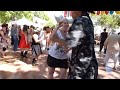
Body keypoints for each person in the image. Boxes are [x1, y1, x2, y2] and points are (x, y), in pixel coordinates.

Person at [52, 11, 98, 79]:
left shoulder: (80, 21)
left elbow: (70, 43)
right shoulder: (87, 20)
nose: (71, 13)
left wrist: (57, 39)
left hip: (81, 68)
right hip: (88, 67)